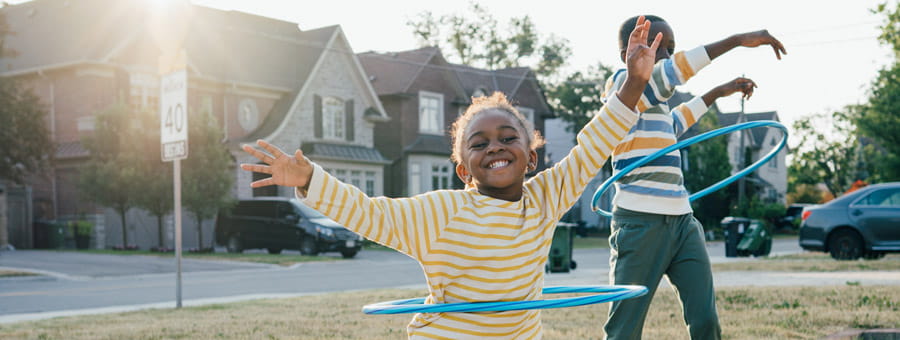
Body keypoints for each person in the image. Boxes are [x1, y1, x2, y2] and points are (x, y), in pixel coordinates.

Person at [240, 16, 660, 340]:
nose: (494, 147)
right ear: (463, 170)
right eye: (478, 144)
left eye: (508, 138)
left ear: (531, 157)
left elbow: (591, 149)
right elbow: (368, 213)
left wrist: (634, 83)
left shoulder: (545, 199)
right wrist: (310, 177)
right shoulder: (442, 212)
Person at [600, 15, 786, 340]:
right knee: (624, 330)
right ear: (627, 53)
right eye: (660, 48)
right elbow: (672, 73)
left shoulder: (654, 107)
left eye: (672, 49)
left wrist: (719, 91)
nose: (668, 57)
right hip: (640, 224)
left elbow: (677, 122)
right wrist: (737, 39)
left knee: (705, 321)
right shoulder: (622, 88)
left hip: (683, 222)